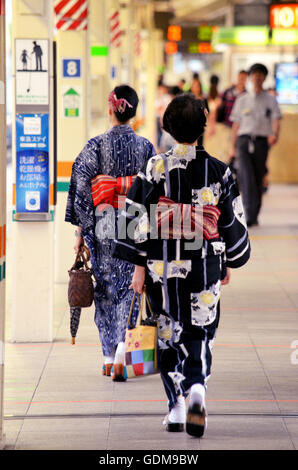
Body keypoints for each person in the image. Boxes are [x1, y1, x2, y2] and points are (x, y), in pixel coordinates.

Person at [113, 94, 250, 437]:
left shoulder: (154, 168)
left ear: (168, 127)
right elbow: (231, 223)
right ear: (204, 124)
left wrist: (138, 266)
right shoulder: (220, 171)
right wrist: (229, 257)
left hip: (161, 266)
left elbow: (133, 221)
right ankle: (197, 390)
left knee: (166, 331)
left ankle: (175, 407)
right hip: (205, 263)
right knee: (200, 330)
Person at [65, 85, 155, 379]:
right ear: (134, 112)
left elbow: (80, 185)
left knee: (104, 287)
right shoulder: (146, 148)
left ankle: (107, 356)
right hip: (135, 221)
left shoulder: (96, 145)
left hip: (103, 222)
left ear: (111, 108)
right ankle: (121, 353)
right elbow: (155, 190)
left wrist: (81, 230)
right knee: (131, 286)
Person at [229, 63, 282, 226]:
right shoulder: (242, 99)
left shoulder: (270, 100)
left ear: (264, 77)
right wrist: (233, 146)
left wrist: (275, 135)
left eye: (260, 74)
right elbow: (236, 124)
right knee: (246, 176)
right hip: (244, 141)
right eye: (254, 74)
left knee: (258, 177)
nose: (257, 77)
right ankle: (249, 214)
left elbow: (276, 119)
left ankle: (254, 213)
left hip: (261, 143)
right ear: (250, 77)